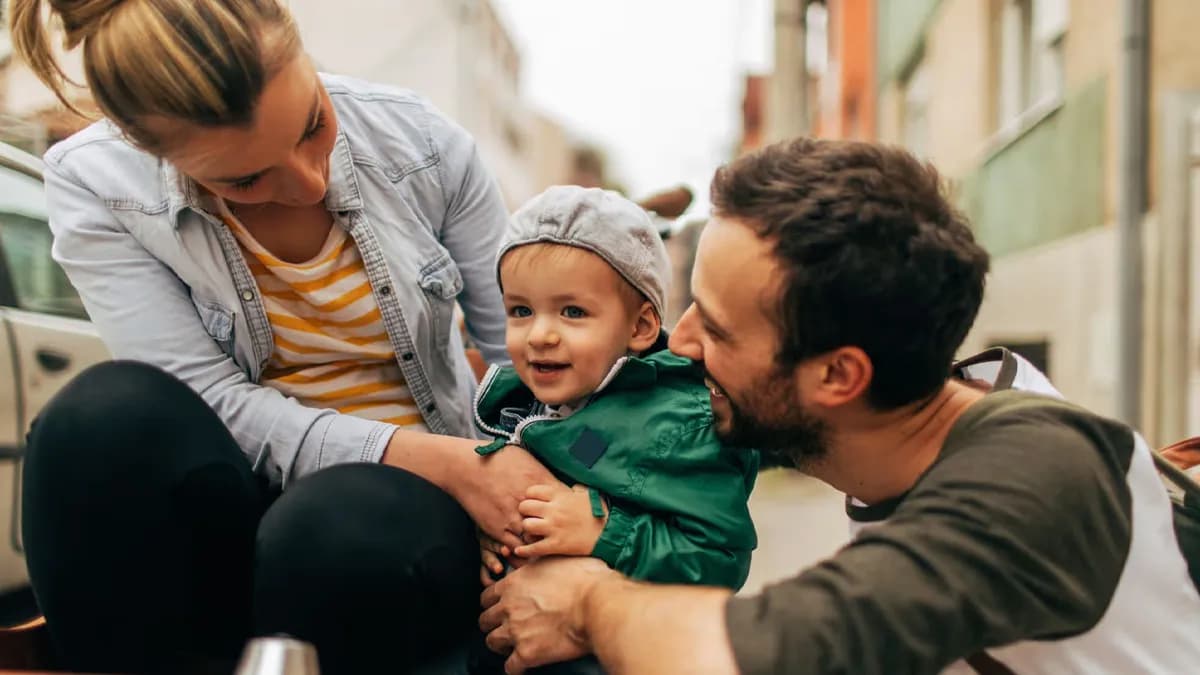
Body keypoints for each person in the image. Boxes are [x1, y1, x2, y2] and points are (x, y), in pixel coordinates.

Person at [479, 138, 1200, 674]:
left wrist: (585, 600)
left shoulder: (1035, 473)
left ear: (838, 374)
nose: (683, 342)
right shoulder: (922, 453)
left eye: (718, 326)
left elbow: (762, 653)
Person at [8, 1, 560, 673]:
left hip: (390, 521)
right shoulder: (95, 183)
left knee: (329, 532)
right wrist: (451, 460)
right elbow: (210, 398)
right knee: (92, 421)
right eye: (245, 179)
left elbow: (532, 360)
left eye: (313, 124)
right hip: (241, 498)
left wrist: (561, 503)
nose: (308, 181)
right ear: (144, 146)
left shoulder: (422, 144)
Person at [473, 186, 758, 589]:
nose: (539, 334)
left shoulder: (675, 426)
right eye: (521, 310)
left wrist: (604, 532)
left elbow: (721, 558)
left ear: (640, 327)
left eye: (573, 312)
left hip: (627, 640)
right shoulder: (527, 404)